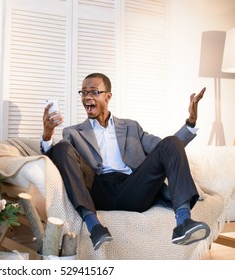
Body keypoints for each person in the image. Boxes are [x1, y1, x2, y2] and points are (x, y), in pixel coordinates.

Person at [41, 72, 209, 250]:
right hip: (96, 190)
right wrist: (47, 134)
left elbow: (168, 150)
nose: (87, 97)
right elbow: (59, 162)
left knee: (171, 142)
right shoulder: (73, 132)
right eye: (83, 92)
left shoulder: (131, 127)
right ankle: (94, 226)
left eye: (93, 92)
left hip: (133, 188)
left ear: (108, 96)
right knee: (62, 148)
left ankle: (183, 222)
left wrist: (190, 123)